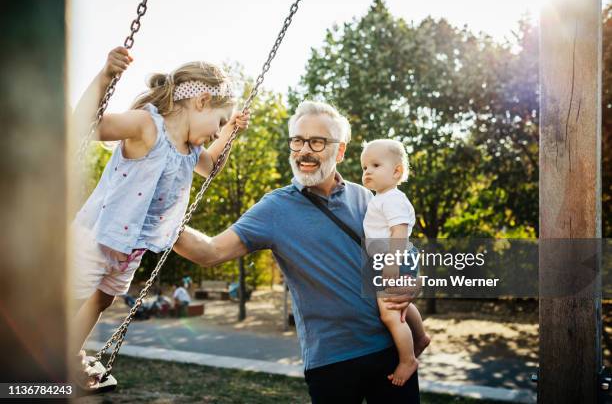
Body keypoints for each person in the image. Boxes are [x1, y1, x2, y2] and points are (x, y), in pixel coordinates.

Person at [175, 101, 421, 403]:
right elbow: (209, 252)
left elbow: (401, 250)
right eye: (298, 141)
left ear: (340, 152)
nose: (305, 150)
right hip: (331, 362)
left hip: (389, 350)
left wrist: (412, 281)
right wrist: (160, 219)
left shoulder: (365, 196)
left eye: (317, 142)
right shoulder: (274, 208)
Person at [70, 47, 250, 385]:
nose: (217, 130)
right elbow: (88, 126)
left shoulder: (191, 151)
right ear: (201, 101)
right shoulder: (147, 125)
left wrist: (229, 133)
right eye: (219, 121)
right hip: (96, 236)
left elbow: (211, 167)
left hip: (132, 246)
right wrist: (106, 75)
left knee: (102, 300)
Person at [361, 139, 431, 386]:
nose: (367, 171)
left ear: (397, 171)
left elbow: (399, 233)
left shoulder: (392, 199)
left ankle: (407, 359)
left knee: (389, 314)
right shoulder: (381, 198)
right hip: (389, 259)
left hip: (393, 259)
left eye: (375, 165)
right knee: (400, 304)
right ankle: (420, 337)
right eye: (364, 167)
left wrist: (390, 265)